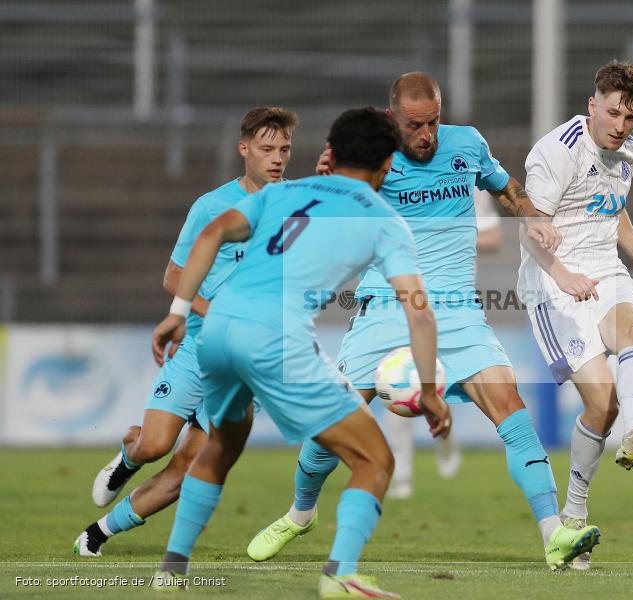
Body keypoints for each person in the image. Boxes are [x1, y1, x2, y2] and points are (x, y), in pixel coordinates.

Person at [248, 72, 602, 572]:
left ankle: (554, 535)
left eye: (434, 121)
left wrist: (532, 216)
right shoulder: (373, 157)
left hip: (457, 310)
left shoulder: (467, 144)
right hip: (384, 305)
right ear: (394, 118)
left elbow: (506, 188)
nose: (427, 134)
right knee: (330, 427)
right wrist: (327, 179)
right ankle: (300, 513)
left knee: (513, 413)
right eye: (416, 125)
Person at [149, 107, 451, 598]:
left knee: (222, 445)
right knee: (374, 461)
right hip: (275, 338)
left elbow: (212, 235)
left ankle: (172, 569)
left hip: (218, 330)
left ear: (332, 151)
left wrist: (179, 311)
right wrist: (432, 392)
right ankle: (341, 575)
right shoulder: (384, 219)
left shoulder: (279, 194)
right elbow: (419, 312)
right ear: (389, 163)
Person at [74, 107, 297, 557]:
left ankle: (96, 534)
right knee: (155, 446)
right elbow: (174, 278)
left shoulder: (298, 206)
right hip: (197, 346)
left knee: (188, 470)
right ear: (244, 149)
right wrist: (211, 310)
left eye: (285, 149)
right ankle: (129, 455)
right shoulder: (212, 207)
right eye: (267, 148)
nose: (277, 158)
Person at [518, 60, 633, 570]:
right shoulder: (557, 151)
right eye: (612, 113)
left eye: (631, 118)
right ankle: (572, 517)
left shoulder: (628, 150)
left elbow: (615, 210)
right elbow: (530, 223)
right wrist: (562, 274)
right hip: (552, 284)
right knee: (599, 404)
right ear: (593, 105)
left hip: (604, 270)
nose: (620, 126)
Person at [383, 188, 502, 499]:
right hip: (405, 296)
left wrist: (448, 240)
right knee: (396, 379)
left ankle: (446, 439)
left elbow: (493, 238)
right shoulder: (397, 179)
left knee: (442, 384)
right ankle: (402, 476)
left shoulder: (470, 186)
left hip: (454, 301)